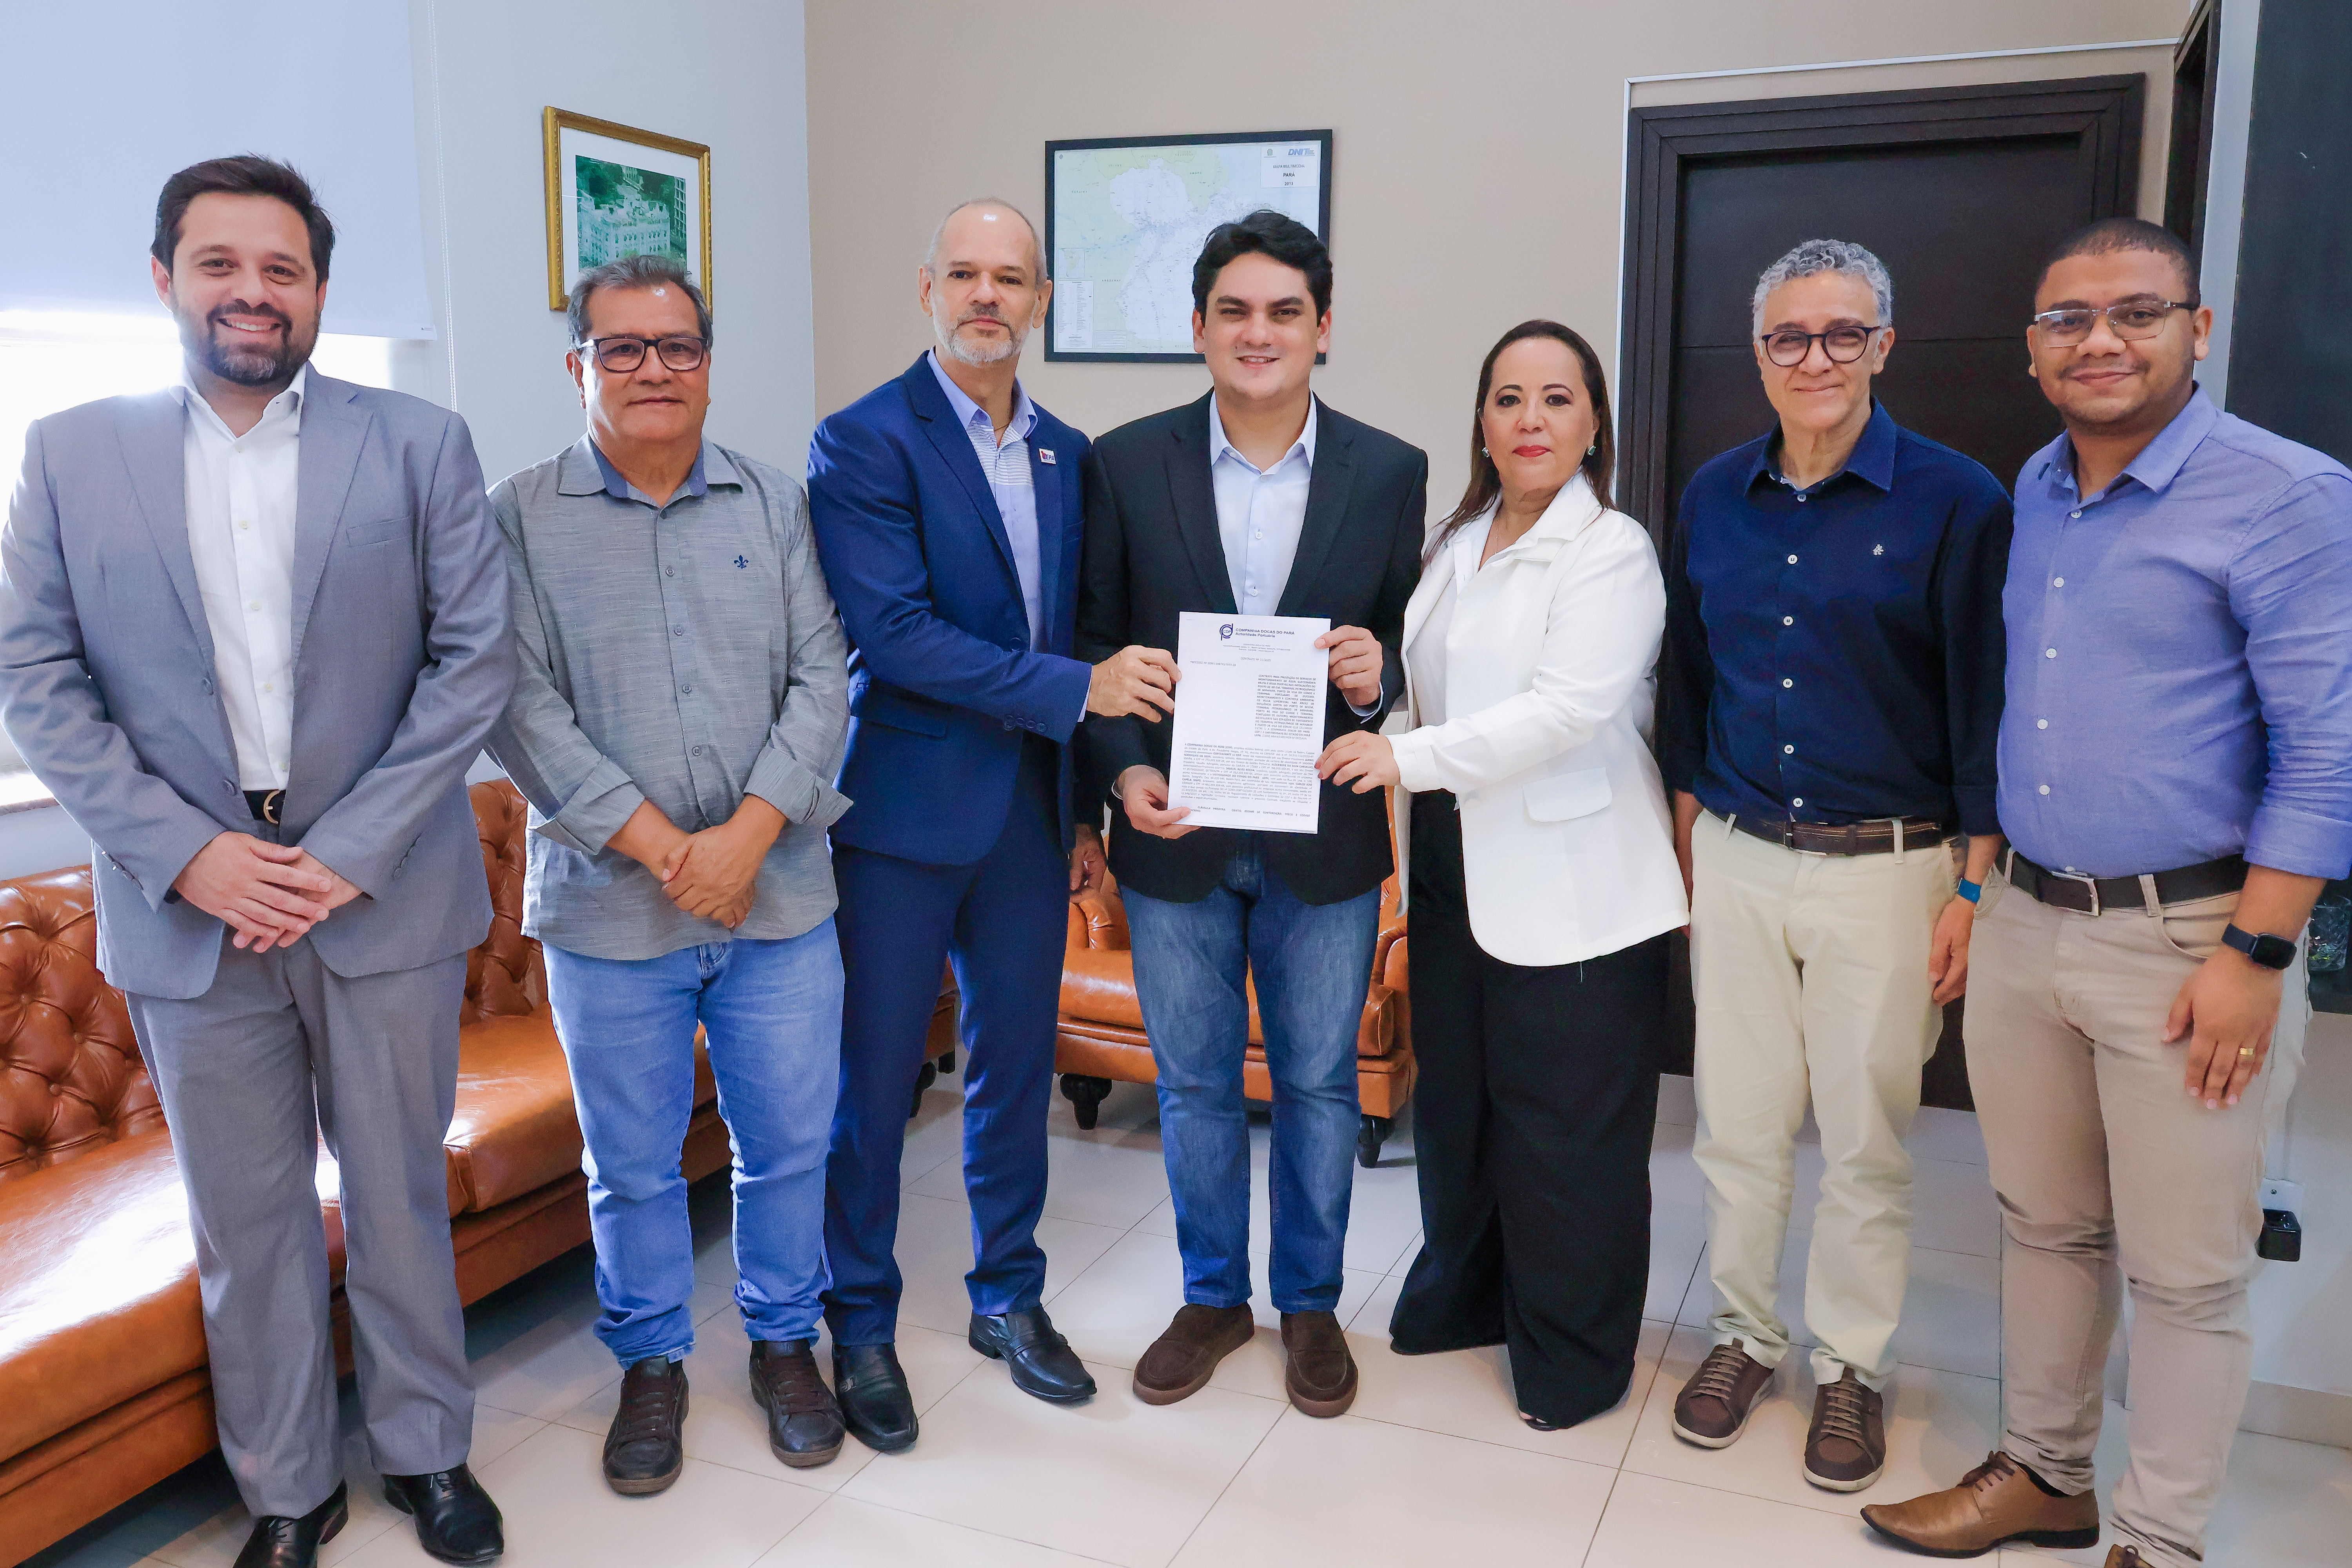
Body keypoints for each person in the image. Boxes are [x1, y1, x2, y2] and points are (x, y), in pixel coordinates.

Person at [0, 157, 513, 1568]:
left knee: (403, 1194)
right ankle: (287, 1485)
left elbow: (472, 665)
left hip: (385, 896)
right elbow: (39, 683)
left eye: (281, 269)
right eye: (220, 263)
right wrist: (193, 858)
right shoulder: (69, 451)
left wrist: (340, 855)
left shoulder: (418, 441)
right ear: (163, 278)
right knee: (246, 1217)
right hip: (187, 917)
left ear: (321, 294)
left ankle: (430, 1455)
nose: (252, 292)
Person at [1863, 220, 2351, 1568]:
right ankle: (2046, 1475)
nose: (2101, 340)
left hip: (2196, 940)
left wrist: (2257, 950)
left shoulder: (2289, 495)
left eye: (2137, 312)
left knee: (2187, 1275)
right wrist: (1980, 890)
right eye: (2069, 320)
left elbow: (2330, 744)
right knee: (2043, 1225)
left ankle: (2161, 1538)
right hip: (2027, 920)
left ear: (2200, 329)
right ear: (2032, 353)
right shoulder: (2036, 488)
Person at [808, 198, 1171, 1448]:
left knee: (1016, 1073)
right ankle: (857, 1322)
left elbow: (1066, 625)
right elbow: (894, 636)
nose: (985, 296)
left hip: (1027, 823)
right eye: (962, 273)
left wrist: (1081, 814)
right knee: (875, 1084)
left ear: (1042, 301)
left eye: (1009, 277)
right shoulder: (861, 441)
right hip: (902, 820)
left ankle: (1008, 1299)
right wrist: (1079, 692)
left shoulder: (1071, 452)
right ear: (926, 290)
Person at [485, 256, 852, 1490]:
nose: (654, 369)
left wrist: (747, 836)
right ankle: (650, 1366)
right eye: (623, 347)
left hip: (783, 895)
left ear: (707, 361)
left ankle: (784, 1342)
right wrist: (669, 853)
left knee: (788, 1146)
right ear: (578, 364)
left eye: (678, 347)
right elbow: (518, 708)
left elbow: (823, 677)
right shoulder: (517, 517)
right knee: (632, 1166)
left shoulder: (776, 502)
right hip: (607, 909)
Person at [1659, 238, 2013, 1492]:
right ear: (1760, 354)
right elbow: (1689, 692)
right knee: (1738, 1128)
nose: (1817, 359)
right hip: (1745, 854)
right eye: (1790, 339)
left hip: (1892, 869)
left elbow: (1987, 703)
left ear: (1885, 345)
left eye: (1843, 334)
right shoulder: (1711, 498)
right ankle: (1745, 1336)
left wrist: (1974, 884)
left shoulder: (1959, 500)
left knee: (1867, 1138)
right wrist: (1693, 844)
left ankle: (1852, 1365)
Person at [1076, 210, 1425, 1419]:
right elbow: (1092, 643)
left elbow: (1404, 653)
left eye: (1286, 311)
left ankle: (1313, 1304)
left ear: (1323, 329)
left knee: (1323, 1085)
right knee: (1194, 1084)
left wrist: (1384, 677)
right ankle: (1214, 1295)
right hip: (1174, 834)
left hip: (1323, 839)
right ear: (1198, 327)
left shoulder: (1392, 469)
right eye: (1235, 310)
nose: (1258, 332)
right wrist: (1122, 776)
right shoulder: (1123, 462)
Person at [1318, 320, 1686, 1429]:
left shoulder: (1610, 550)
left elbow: (1567, 711)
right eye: (1509, 398)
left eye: (1557, 400)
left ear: (1592, 426)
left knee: (1568, 1137)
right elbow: (1440, 696)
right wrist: (1378, 681)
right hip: (1452, 866)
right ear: (1481, 419)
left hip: (1574, 887)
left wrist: (1404, 755)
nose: (1531, 420)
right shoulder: (1457, 538)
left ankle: (1575, 1361)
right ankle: (1469, 1298)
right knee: (1466, 1115)